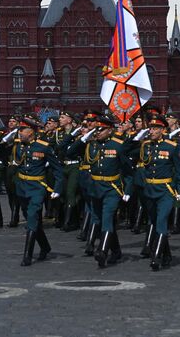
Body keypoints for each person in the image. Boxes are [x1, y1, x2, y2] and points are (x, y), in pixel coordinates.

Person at [67, 114, 134, 267]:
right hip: (95, 188)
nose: (98, 132)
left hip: (112, 188)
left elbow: (128, 171)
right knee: (99, 219)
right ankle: (116, 251)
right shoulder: (91, 144)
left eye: (102, 130)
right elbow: (69, 152)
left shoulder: (118, 145)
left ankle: (102, 251)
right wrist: (84, 139)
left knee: (107, 217)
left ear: (110, 130)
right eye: (96, 129)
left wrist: (128, 191)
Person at [126, 114, 180, 271]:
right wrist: (135, 136)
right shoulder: (145, 145)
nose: (151, 131)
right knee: (153, 221)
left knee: (161, 221)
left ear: (163, 130)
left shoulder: (171, 146)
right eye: (150, 128)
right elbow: (125, 151)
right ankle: (167, 255)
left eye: (155, 128)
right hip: (149, 190)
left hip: (165, 190)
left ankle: (156, 256)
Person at [13, 115, 64, 266]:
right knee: (31, 219)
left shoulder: (43, 146)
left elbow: (58, 170)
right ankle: (45, 247)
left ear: (31, 132)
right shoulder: (18, 145)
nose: (20, 133)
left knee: (32, 216)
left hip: (37, 187)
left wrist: (58, 188)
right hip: (22, 187)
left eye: (23, 130)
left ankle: (27, 255)